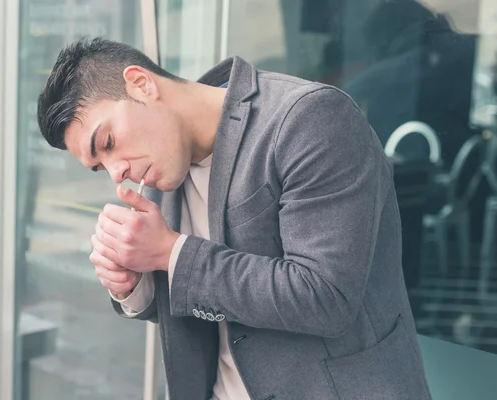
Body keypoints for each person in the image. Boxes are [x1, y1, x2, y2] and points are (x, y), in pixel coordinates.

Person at [36, 37, 432, 400]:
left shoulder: (309, 118)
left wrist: (170, 253)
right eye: (99, 166)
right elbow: (207, 301)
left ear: (142, 84)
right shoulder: (158, 166)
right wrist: (136, 284)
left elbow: (326, 297)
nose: (116, 172)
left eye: (107, 143)